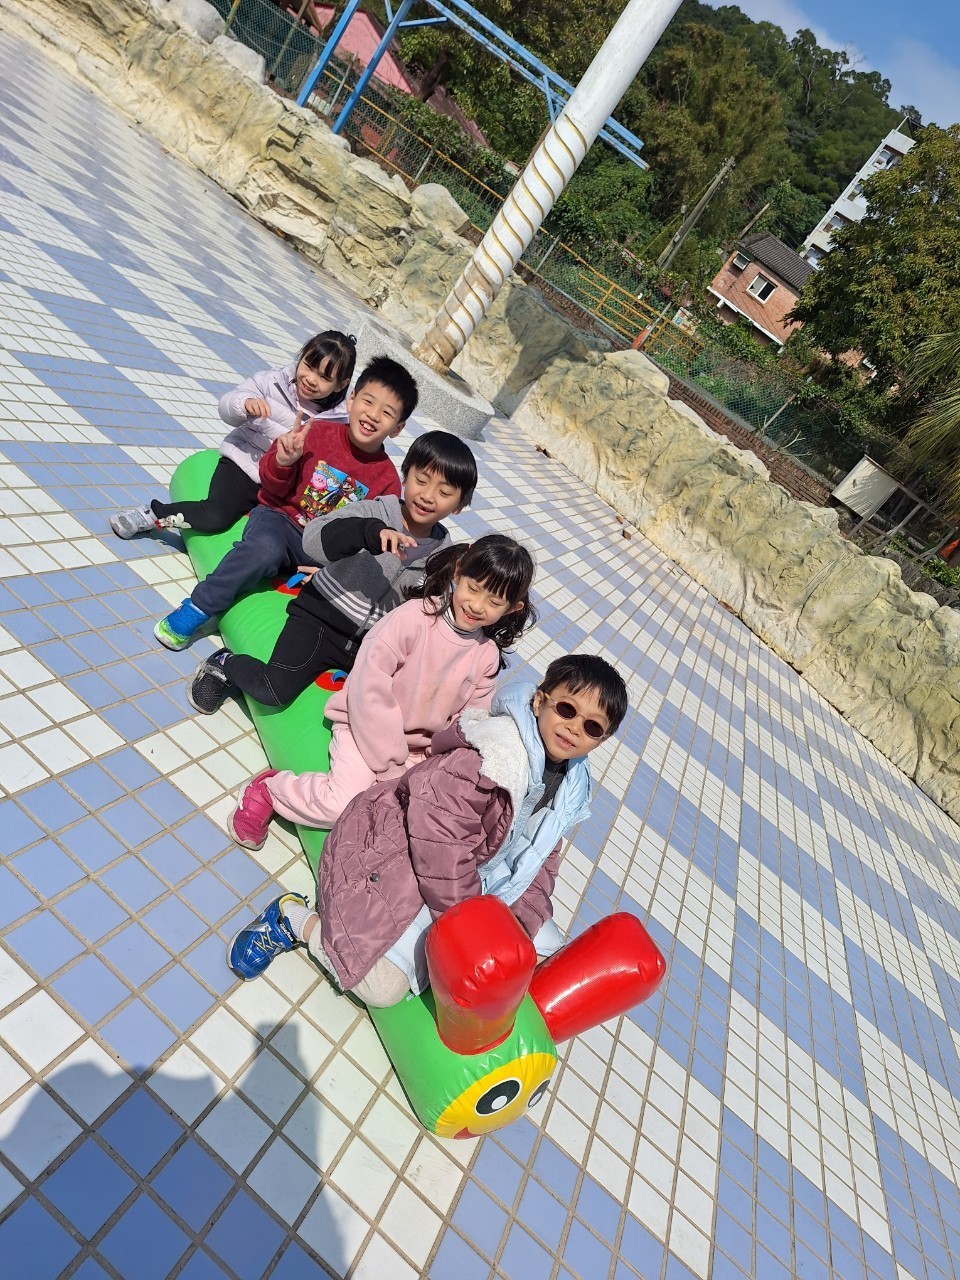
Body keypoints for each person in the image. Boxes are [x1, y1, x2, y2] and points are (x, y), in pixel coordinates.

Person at [227, 654, 628, 1009]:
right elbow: (437, 839)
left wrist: (522, 928)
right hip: (401, 853)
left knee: (541, 952)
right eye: (566, 709)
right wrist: (467, 925)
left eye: (592, 727)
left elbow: (540, 860)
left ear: (602, 739)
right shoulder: (494, 755)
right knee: (381, 989)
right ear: (540, 701)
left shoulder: (569, 788)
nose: (574, 728)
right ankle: (291, 919)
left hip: (474, 881)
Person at [226, 534, 537, 851]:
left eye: (494, 602)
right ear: (458, 571)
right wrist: (391, 764)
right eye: (473, 588)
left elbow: (467, 724)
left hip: (418, 754)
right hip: (363, 729)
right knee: (342, 804)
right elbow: (369, 687)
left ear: (512, 608)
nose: (477, 605)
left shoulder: (486, 656)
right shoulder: (414, 617)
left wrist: (435, 768)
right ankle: (270, 790)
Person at [187, 430, 478, 714]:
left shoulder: (444, 557)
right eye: (421, 480)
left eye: (444, 492)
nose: (428, 496)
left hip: (369, 646)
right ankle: (224, 663)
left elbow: (430, 614)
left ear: (459, 505)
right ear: (405, 477)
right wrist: (367, 533)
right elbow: (313, 539)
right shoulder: (373, 512)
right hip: (319, 619)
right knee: (271, 691)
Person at [153, 355, 417, 651]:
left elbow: (371, 543)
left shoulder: (388, 481)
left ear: (398, 428)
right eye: (368, 402)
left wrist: (335, 574)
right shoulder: (316, 433)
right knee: (264, 549)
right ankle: (199, 606)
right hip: (281, 521)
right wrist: (283, 461)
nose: (373, 415)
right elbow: (271, 484)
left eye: (387, 412)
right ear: (352, 399)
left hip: (325, 550)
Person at [109, 331, 356, 538]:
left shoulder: (338, 420)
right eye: (308, 366)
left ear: (341, 384)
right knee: (215, 516)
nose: (311, 379)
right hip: (248, 465)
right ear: (301, 357)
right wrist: (244, 404)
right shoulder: (271, 382)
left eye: (324, 377)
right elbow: (226, 406)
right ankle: (153, 515)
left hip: (288, 484)